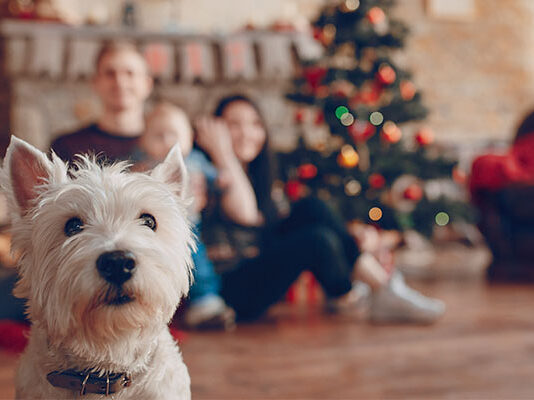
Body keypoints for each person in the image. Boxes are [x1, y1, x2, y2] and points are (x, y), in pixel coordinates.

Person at [196, 94, 445, 323]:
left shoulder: (261, 174)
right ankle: (375, 292)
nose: (246, 133)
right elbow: (246, 215)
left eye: (254, 124)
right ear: (215, 130)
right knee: (316, 240)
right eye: (233, 125)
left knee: (313, 207)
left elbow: (274, 224)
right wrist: (222, 153)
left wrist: (352, 235)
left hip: (259, 264)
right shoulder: (207, 171)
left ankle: (382, 288)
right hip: (229, 290)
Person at [133, 102, 236, 330]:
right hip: (151, 230)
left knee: (199, 262)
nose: (168, 141)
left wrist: (221, 180)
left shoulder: (197, 161)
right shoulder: (142, 164)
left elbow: (214, 178)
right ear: (143, 140)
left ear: (190, 137)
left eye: (175, 134)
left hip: (190, 225)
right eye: (159, 136)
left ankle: (205, 301)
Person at [51, 40, 153, 162]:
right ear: (95, 82)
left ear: (147, 84)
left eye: (129, 73)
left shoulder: (165, 145)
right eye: (110, 73)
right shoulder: (65, 146)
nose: (120, 82)